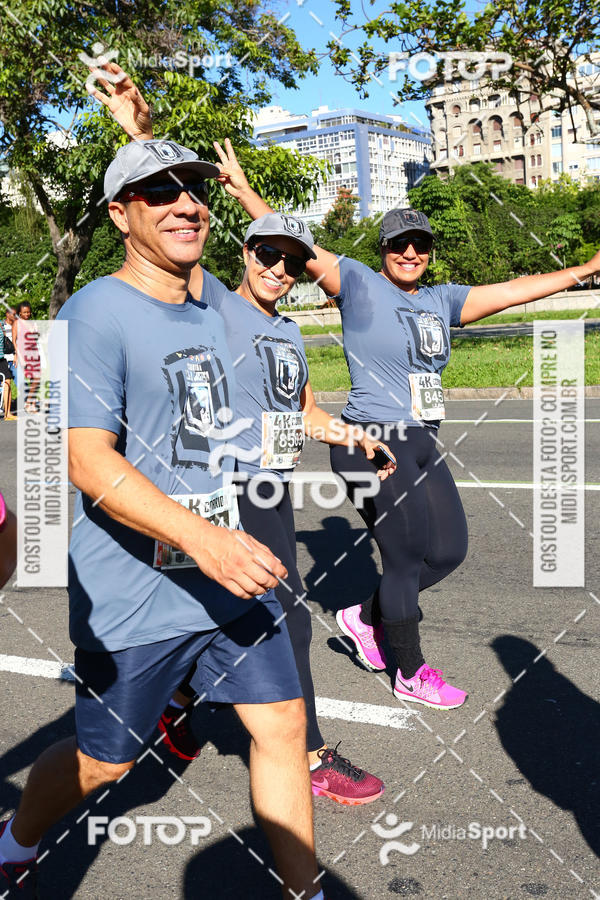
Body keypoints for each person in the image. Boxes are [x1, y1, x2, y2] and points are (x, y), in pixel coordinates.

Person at [0, 139, 323, 900]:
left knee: (279, 725)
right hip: (138, 591)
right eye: (157, 194)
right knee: (107, 760)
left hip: (226, 574)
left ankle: (305, 893)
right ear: (118, 215)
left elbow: (284, 250)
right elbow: (85, 462)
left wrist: (153, 131)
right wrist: (202, 538)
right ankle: (16, 837)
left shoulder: (211, 298)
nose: (185, 205)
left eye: (193, 192)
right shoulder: (89, 314)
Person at [89, 65, 396, 805]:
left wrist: (347, 434)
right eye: (267, 255)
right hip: (227, 489)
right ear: (244, 255)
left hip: (273, 486)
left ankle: (186, 715)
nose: (280, 270)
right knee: (283, 621)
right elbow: (167, 225)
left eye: (292, 263)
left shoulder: (288, 332)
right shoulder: (216, 306)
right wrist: (142, 130)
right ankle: (311, 752)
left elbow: (305, 412)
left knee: (245, 621)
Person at [203, 147, 600, 711]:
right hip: (371, 439)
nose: (410, 252)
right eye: (398, 244)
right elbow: (289, 247)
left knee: (450, 552)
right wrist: (243, 192)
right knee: (407, 557)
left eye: (420, 244)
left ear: (430, 253)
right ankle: (409, 669)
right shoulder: (360, 286)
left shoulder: (443, 300)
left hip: (422, 439)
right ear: (383, 250)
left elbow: (515, 288)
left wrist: (583, 271)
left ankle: (364, 618)